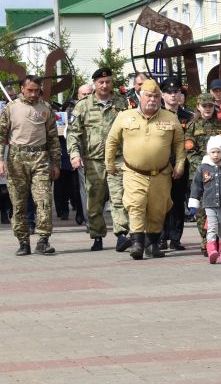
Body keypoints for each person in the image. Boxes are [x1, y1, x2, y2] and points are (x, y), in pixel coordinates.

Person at [104, 79, 186, 259]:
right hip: (134, 172)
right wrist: (109, 163)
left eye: (156, 96)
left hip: (161, 173)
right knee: (136, 204)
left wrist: (180, 164)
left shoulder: (170, 118)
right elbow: (112, 141)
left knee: (158, 209)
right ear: (140, 97)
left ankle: (153, 243)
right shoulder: (124, 116)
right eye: (149, 95)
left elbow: (180, 144)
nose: (153, 99)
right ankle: (137, 243)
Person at [67, 68, 133, 251]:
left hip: (117, 159)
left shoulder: (122, 103)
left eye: (108, 82)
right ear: (95, 83)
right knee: (94, 201)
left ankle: (121, 235)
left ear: (112, 83)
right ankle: (97, 236)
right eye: (101, 82)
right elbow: (73, 133)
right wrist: (74, 154)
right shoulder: (83, 105)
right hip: (93, 160)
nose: (104, 85)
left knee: (118, 198)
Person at [0, 75, 61, 256]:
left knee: (43, 201)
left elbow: (53, 138)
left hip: (40, 159)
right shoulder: (10, 109)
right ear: (22, 89)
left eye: (37, 90)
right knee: (18, 203)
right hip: (16, 160)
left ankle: (43, 240)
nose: (34, 94)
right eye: (30, 90)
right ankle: (23, 241)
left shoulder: (46, 109)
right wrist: (1, 160)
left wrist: (55, 163)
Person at [159, 76, 194, 250]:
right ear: (162, 95)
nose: (173, 95)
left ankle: (175, 237)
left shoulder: (188, 116)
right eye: (169, 92)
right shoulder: (156, 115)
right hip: (161, 165)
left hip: (181, 164)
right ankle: (160, 236)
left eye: (176, 92)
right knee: (161, 201)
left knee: (178, 200)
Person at [189, 135, 221, 263]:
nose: (216, 155)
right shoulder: (203, 167)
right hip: (209, 204)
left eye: (218, 152)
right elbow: (196, 186)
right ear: (209, 152)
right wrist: (193, 202)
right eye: (213, 152)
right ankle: (212, 250)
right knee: (212, 227)